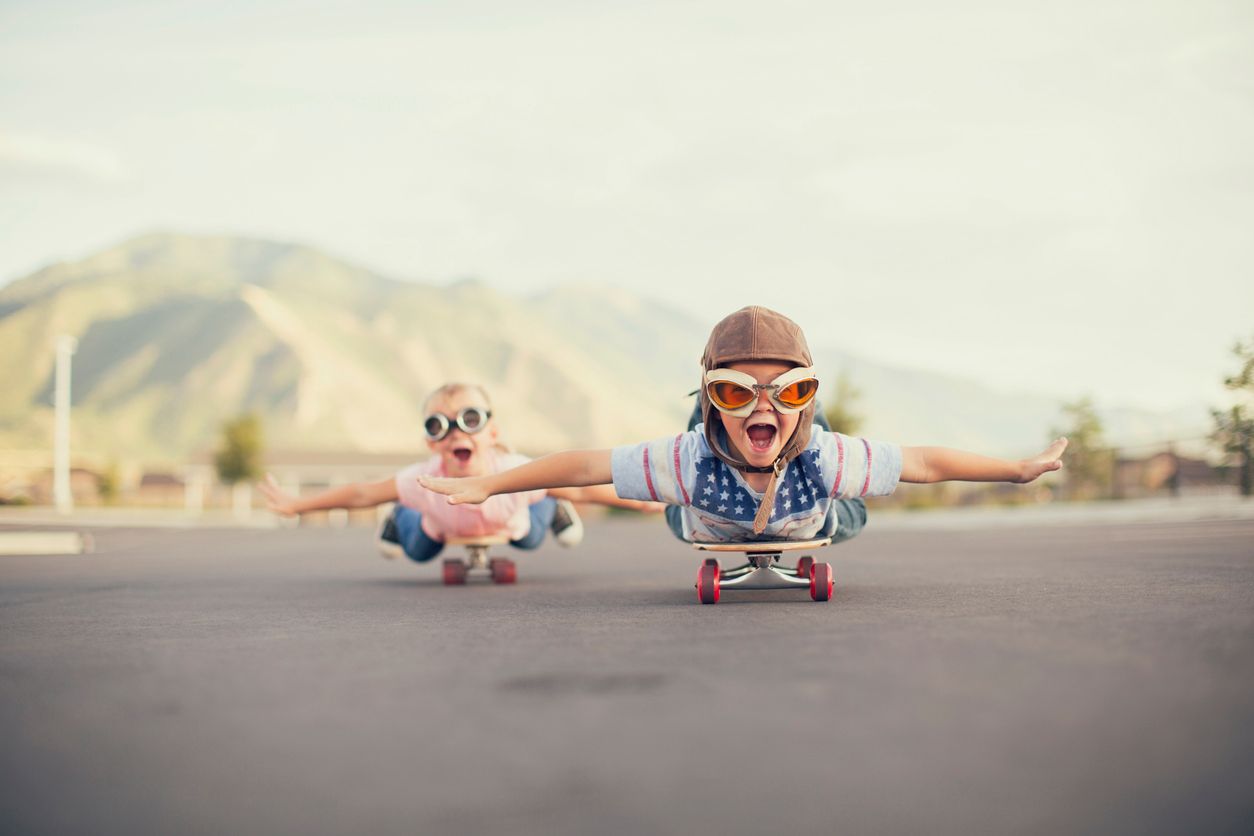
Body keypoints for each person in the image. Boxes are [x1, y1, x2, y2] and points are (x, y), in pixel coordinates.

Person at [416, 307, 1068, 546]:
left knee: (845, 504)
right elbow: (583, 465)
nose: (762, 405)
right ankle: (725, 410)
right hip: (703, 511)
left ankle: (789, 412)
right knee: (682, 486)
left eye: (789, 390)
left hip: (812, 511)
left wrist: (1015, 469)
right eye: (733, 389)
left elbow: (925, 463)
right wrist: (489, 486)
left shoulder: (829, 461)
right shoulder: (683, 462)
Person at [258, 382, 656, 562]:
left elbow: (583, 489)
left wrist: (640, 500)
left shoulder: (513, 471)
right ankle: (400, 518)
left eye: (469, 419)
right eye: (438, 425)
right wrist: (299, 505)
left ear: (493, 432)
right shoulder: (424, 480)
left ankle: (550, 508)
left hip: (512, 520)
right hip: (440, 527)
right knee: (415, 550)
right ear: (431, 442)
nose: (454, 434)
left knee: (533, 532)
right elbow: (363, 494)